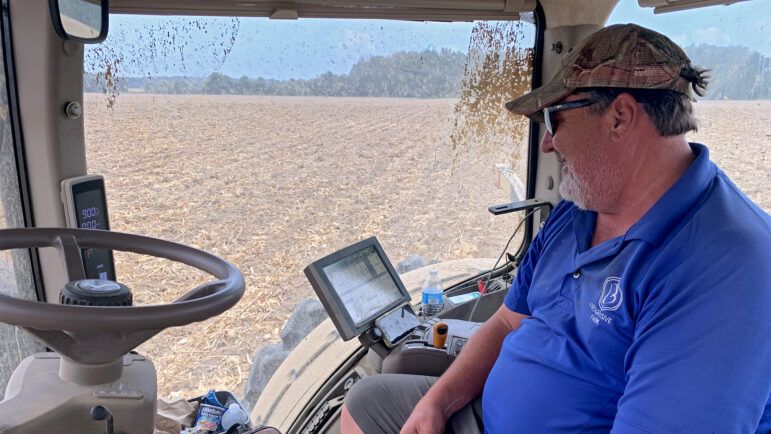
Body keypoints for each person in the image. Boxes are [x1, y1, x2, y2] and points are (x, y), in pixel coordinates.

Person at [340, 23, 771, 433]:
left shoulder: (727, 265)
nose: (547, 142)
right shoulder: (578, 208)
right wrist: (438, 402)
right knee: (367, 403)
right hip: (488, 416)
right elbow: (507, 323)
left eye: (553, 119)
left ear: (620, 117)